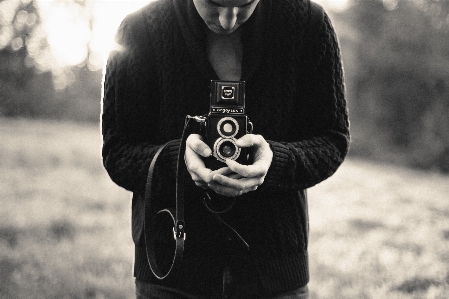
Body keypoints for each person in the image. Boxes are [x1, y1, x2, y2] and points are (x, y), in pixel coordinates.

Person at [101, 0, 350, 298]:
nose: (228, 19)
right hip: (171, 270)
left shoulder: (308, 23)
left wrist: (275, 162)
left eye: (245, 4)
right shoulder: (140, 30)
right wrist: (177, 161)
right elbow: (118, 150)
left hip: (274, 270)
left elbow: (332, 138)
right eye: (213, 3)